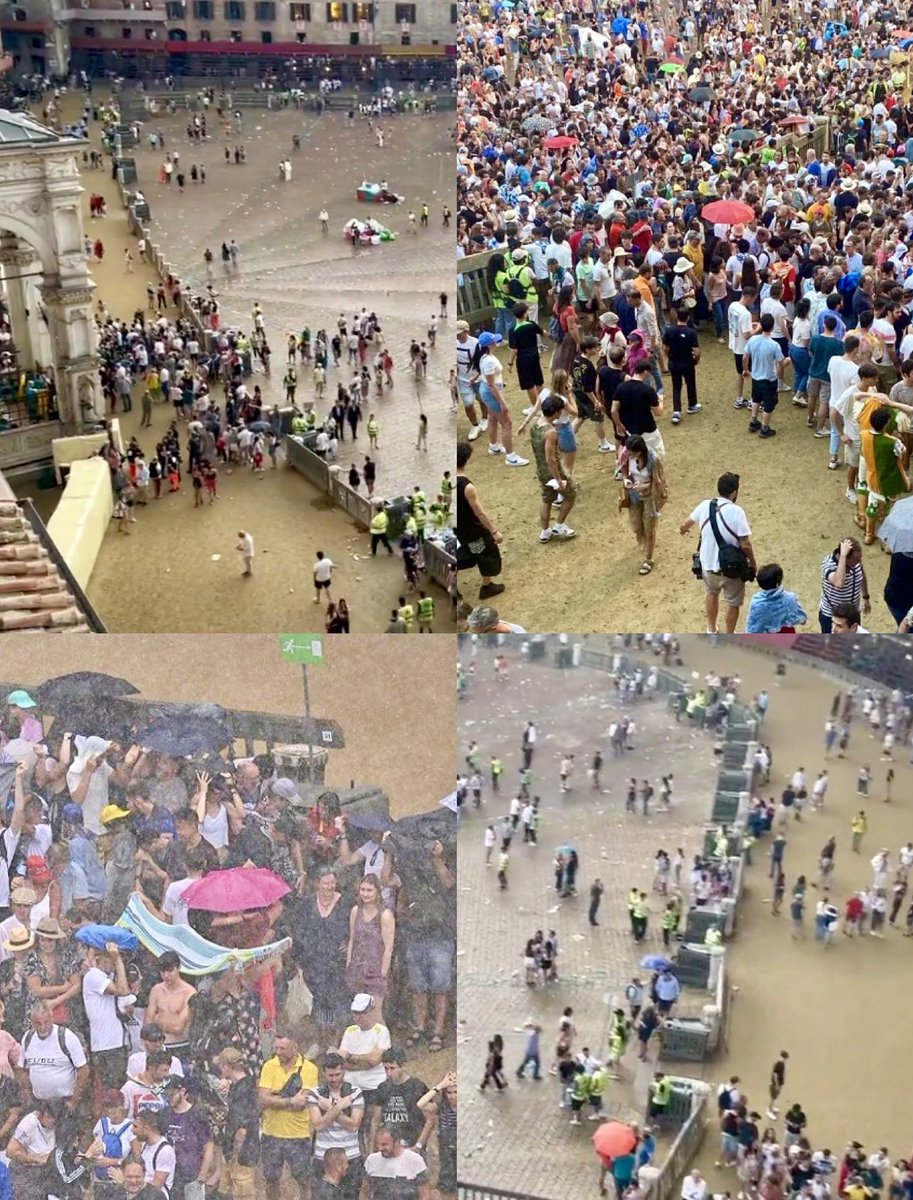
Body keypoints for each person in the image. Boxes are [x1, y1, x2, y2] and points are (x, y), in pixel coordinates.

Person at [680, 472, 757, 633]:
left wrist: (683, 529)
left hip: (708, 564)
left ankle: (711, 629)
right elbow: (745, 544)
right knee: (733, 603)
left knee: (711, 593)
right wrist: (753, 563)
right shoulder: (737, 512)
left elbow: (685, 524)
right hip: (731, 568)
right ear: (734, 493)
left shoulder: (704, 505)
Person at [257, 1029, 319, 1200]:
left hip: (298, 1134)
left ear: (295, 1047)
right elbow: (262, 1100)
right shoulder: (269, 1066)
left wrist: (274, 1098)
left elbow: (302, 1102)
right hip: (271, 1133)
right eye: (276, 1048)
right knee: (270, 1179)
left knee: (304, 1180)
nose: (278, 1053)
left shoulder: (309, 1069)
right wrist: (289, 1101)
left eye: (283, 1048)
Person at [456, 441, 505, 597]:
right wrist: (494, 531)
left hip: (456, 527)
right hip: (472, 529)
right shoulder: (467, 487)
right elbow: (480, 513)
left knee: (463, 553)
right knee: (485, 555)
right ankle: (487, 586)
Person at [619, 434, 668, 577]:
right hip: (634, 496)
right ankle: (645, 543)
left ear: (640, 451)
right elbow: (623, 469)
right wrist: (626, 480)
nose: (629, 454)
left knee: (649, 526)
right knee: (636, 525)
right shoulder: (626, 454)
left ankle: (649, 558)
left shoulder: (653, 459)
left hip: (649, 497)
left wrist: (645, 486)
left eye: (632, 452)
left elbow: (660, 483)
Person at [746, 564, 808, 633]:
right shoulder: (790, 598)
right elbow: (803, 620)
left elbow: (752, 628)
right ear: (778, 583)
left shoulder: (756, 602)